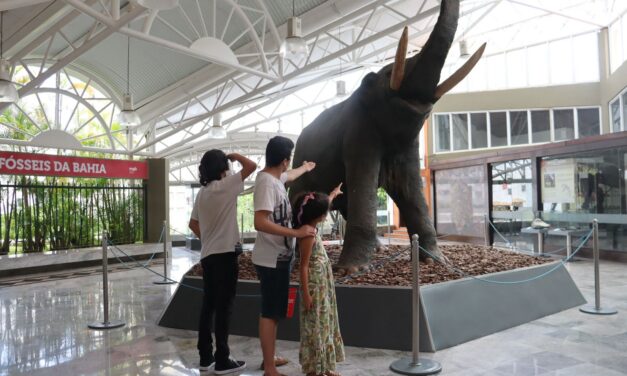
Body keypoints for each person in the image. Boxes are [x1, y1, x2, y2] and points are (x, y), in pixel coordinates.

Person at [253, 136, 317, 376]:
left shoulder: (275, 177)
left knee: (276, 311)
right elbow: (259, 222)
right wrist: (295, 232)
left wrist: (305, 167)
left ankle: (269, 358)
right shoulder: (267, 184)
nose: (290, 164)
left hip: (280, 256)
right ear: (283, 160)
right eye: (290, 158)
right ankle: (269, 368)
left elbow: (289, 175)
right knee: (270, 313)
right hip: (271, 259)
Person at [188, 150, 256, 374]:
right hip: (225, 255)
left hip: (208, 256)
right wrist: (236, 155)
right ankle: (223, 359)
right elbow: (252, 166)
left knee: (208, 306)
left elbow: (193, 224)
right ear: (221, 168)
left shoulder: (203, 193)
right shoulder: (225, 186)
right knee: (224, 308)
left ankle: (205, 357)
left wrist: (208, 238)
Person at [293, 184, 345, 376]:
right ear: (317, 214)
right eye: (324, 212)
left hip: (323, 284)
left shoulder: (312, 225)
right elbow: (303, 265)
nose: (327, 214)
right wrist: (306, 293)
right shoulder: (307, 233)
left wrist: (332, 194)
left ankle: (325, 366)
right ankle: (314, 369)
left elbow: (323, 206)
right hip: (314, 285)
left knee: (325, 322)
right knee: (315, 326)